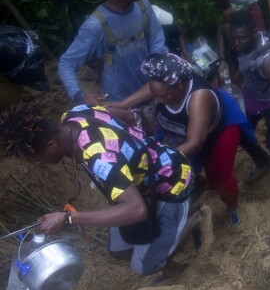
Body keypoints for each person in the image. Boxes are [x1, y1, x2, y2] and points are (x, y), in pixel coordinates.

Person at [0, 104, 198, 279]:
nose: (39, 164)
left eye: (37, 159)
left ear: (52, 145)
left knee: (142, 268)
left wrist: (67, 219)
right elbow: (127, 115)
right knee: (118, 251)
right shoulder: (75, 114)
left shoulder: (98, 157)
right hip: (142, 185)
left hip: (171, 184)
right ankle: (161, 254)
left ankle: (195, 219)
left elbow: (137, 210)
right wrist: (134, 148)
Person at [110, 53, 262, 228]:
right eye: (155, 94)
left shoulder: (199, 98)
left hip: (218, 130)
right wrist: (122, 105)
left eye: (163, 96)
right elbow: (154, 89)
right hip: (182, 127)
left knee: (219, 176)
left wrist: (158, 159)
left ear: (179, 87)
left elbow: (195, 143)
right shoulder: (163, 88)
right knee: (175, 162)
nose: (157, 100)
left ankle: (232, 205)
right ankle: (198, 181)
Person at [59, 0, 167, 105]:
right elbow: (67, 62)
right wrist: (79, 95)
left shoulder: (143, 5)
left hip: (149, 91)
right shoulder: (96, 25)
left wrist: (160, 71)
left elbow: (156, 40)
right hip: (117, 102)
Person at [227, 11, 270, 195]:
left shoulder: (268, 60)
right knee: (240, 132)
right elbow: (222, 32)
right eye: (234, 38)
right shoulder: (237, 38)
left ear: (255, 32)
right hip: (252, 95)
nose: (237, 43)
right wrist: (224, 61)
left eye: (242, 38)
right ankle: (263, 162)